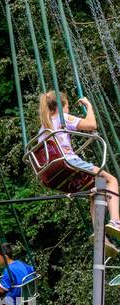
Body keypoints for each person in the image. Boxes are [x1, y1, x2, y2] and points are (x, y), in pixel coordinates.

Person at [38, 91, 120, 245]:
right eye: (67, 105)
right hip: (68, 162)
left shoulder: (43, 128)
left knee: (94, 192)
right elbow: (91, 125)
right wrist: (89, 106)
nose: (68, 109)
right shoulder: (63, 118)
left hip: (51, 171)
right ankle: (116, 221)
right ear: (62, 107)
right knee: (111, 181)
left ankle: (99, 236)